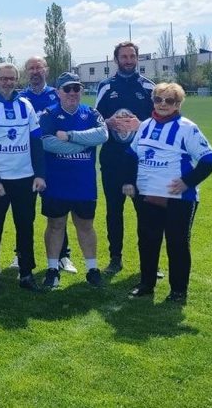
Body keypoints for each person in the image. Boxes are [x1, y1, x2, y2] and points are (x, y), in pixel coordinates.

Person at [123, 83, 212, 304]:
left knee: (177, 243)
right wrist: (128, 181)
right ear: (153, 101)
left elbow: (209, 159)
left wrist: (187, 181)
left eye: (170, 101)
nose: (163, 104)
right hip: (147, 196)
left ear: (178, 104)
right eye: (159, 100)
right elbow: (130, 154)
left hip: (179, 200)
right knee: (147, 240)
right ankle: (146, 284)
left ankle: (178, 290)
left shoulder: (187, 128)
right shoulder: (145, 125)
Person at [0, 62, 46, 295]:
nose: (7, 82)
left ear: (17, 80)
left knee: (25, 227)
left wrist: (39, 174)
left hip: (25, 178)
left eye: (11, 78)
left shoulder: (26, 105)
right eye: (3, 78)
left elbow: (36, 141)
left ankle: (26, 273)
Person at [38, 73, 109, 290]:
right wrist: (83, 143)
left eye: (76, 89)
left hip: (84, 183)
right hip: (56, 182)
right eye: (67, 89)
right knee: (55, 225)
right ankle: (52, 269)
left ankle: (92, 269)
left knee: (85, 225)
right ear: (58, 91)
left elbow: (103, 135)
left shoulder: (91, 113)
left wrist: (70, 136)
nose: (72, 93)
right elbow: (47, 143)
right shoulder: (49, 113)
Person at [95, 41, 155, 275]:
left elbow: (160, 120)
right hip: (112, 160)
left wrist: (142, 125)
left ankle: (148, 262)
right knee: (113, 211)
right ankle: (115, 258)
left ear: (137, 59)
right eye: (124, 56)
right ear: (116, 60)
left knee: (146, 212)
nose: (128, 60)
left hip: (142, 162)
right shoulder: (106, 86)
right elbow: (95, 118)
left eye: (132, 56)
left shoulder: (149, 88)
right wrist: (107, 122)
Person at [19, 56, 76, 274]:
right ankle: (21, 253)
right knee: (24, 211)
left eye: (38, 67)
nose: (35, 71)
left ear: (46, 69)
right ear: (26, 72)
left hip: (53, 161)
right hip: (25, 161)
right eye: (30, 67)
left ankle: (63, 255)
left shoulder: (58, 94)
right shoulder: (20, 97)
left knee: (57, 210)